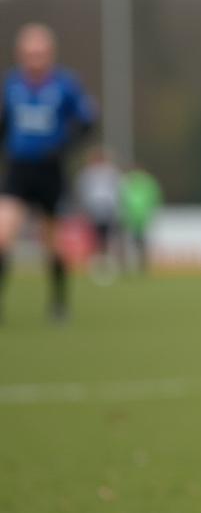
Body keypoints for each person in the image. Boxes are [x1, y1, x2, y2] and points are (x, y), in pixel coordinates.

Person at [0, 23, 96, 321]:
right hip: (19, 169)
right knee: (2, 234)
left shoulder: (66, 85)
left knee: (52, 242)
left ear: (50, 54)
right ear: (20, 55)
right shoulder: (11, 85)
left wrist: (66, 146)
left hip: (50, 170)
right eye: (29, 53)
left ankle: (58, 305)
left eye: (40, 53)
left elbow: (88, 120)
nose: (35, 59)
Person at [76, 145, 123, 280]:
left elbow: (118, 190)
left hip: (108, 208)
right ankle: (98, 265)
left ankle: (110, 265)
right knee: (96, 238)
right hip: (94, 209)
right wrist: (84, 208)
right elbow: (83, 191)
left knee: (108, 238)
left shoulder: (111, 172)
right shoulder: (87, 173)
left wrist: (117, 207)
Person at [120, 164, 162, 273]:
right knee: (140, 243)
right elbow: (155, 197)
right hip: (142, 216)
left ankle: (128, 267)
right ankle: (141, 266)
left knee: (130, 242)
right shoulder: (148, 181)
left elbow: (122, 199)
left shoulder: (128, 181)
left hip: (132, 216)